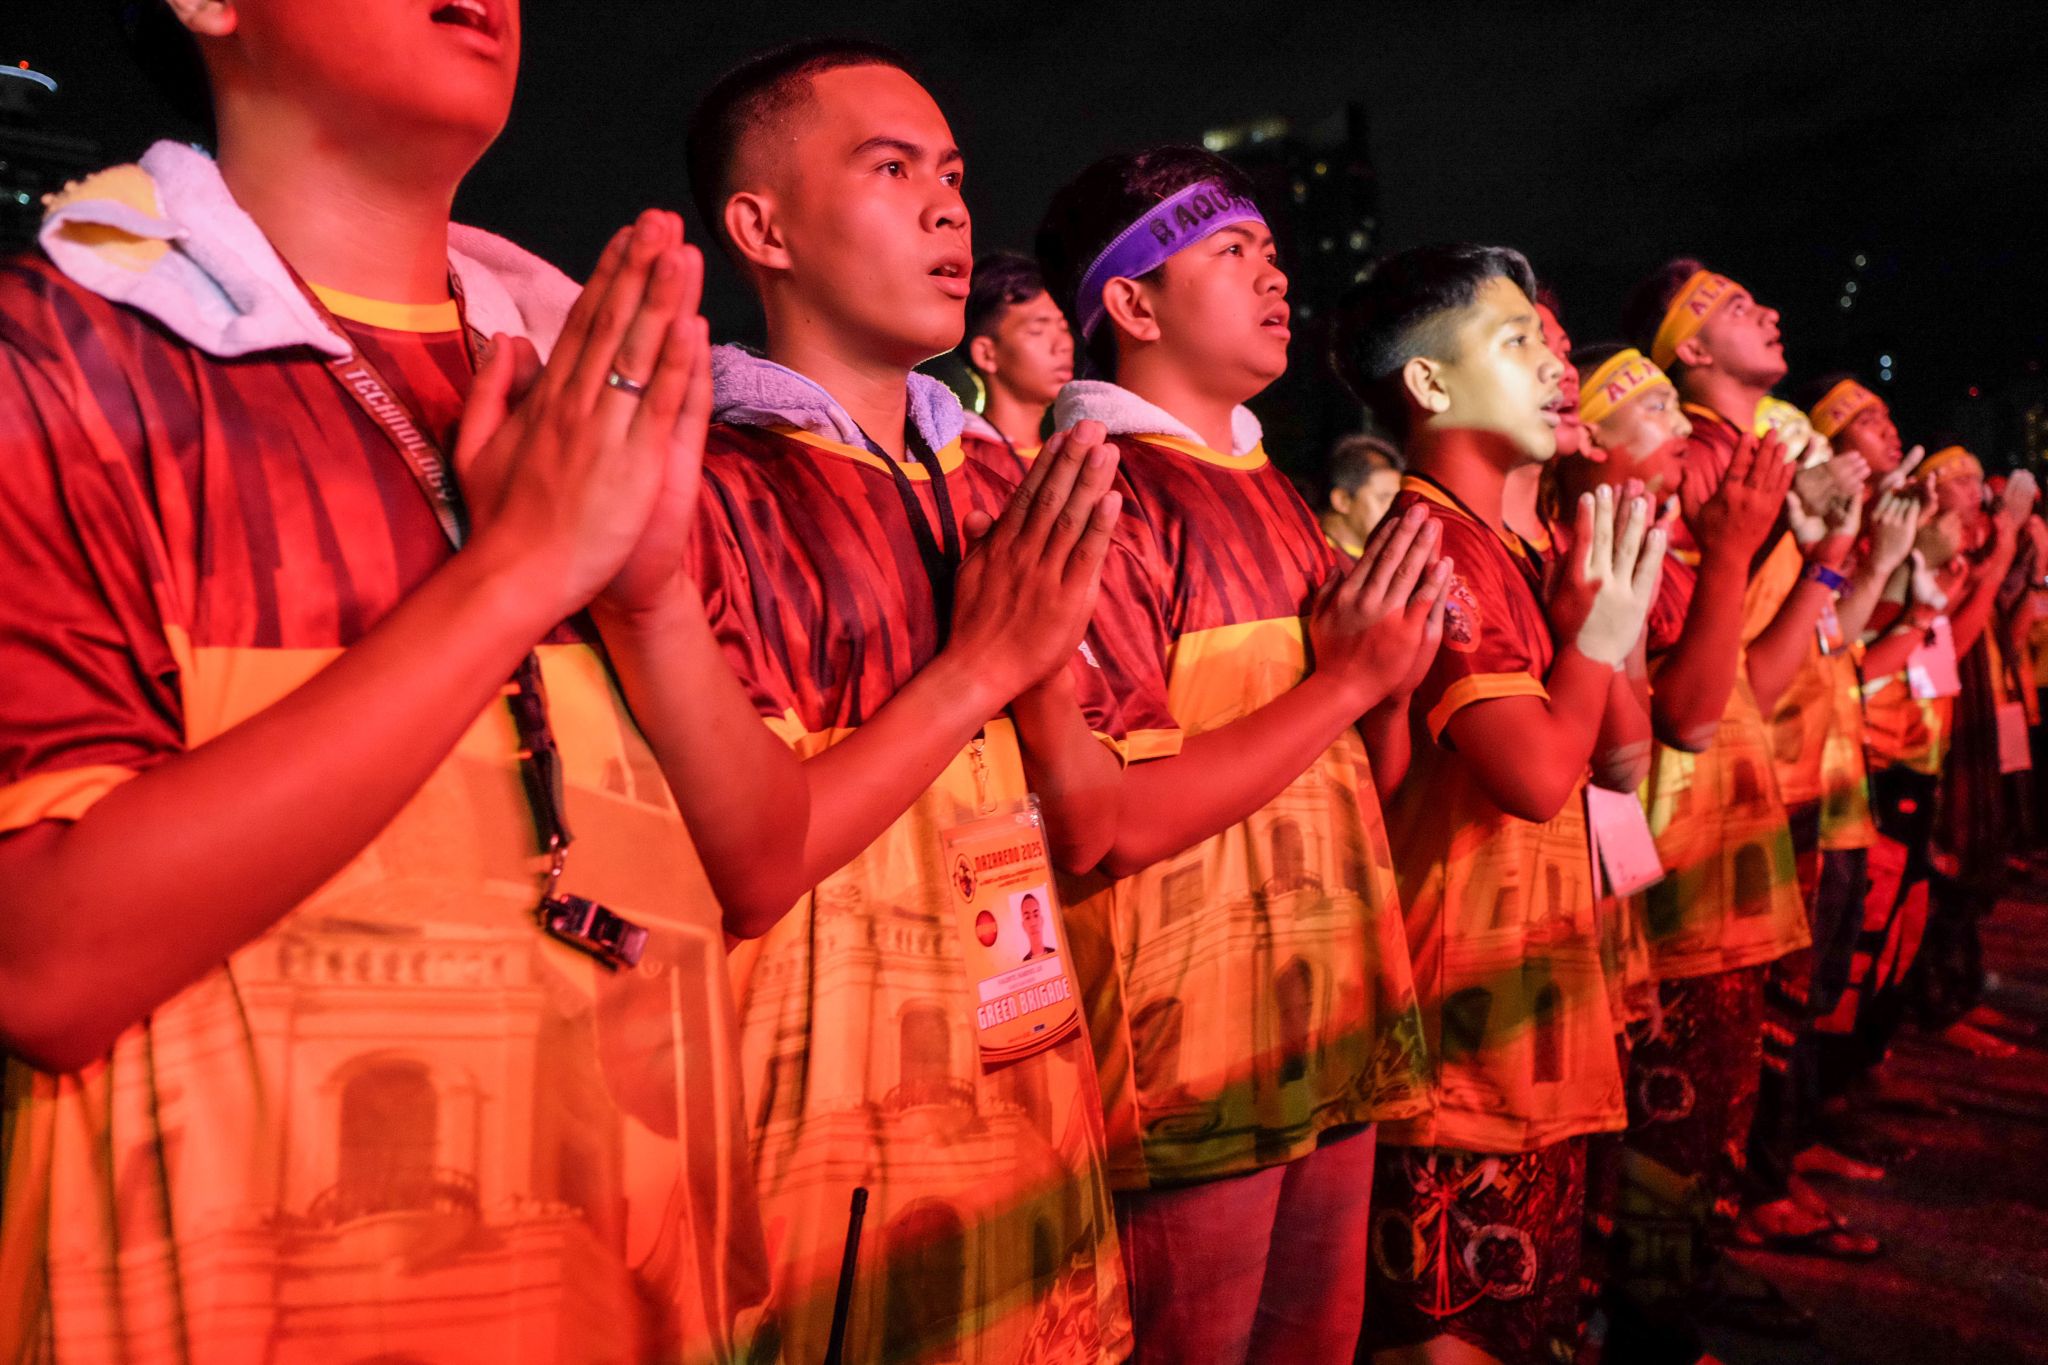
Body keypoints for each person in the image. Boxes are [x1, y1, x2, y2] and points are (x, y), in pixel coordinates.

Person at [0, 1, 777, 1359]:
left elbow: (761, 858)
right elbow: (45, 966)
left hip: (634, 1285)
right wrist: (514, 574)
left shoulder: (578, 386)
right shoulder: (62, 358)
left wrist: (647, 595)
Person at [643, 40, 1130, 1363]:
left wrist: (1038, 678)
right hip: (820, 1160)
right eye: (892, 168)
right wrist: (978, 664)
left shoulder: (995, 479)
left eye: (958, 176)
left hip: (1036, 1100)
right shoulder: (696, 487)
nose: (950, 209)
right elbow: (746, 867)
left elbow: (1086, 823)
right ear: (762, 225)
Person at [1018, 144, 1443, 1364]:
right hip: (1186, 1053)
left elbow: (1371, 782)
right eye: (1227, 252)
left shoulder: (1276, 489)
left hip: (1331, 1016)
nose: (1272, 276)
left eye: (1268, 249)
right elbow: (1108, 825)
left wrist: (1391, 690)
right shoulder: (1097, 491)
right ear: (1132, 305)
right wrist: (1351, 680)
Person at [1332, 243, 1665, 1365]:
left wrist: (1600, 603)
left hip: (1539, 1004)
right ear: (1427, 385)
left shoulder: (1518, 542)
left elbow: (1620, 761)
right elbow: (1531, 778)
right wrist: (1595, 633)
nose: (1550, 367)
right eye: (1516, 341)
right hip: (1458, 1037)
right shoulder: (1434, 547)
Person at [956, 249, 1073, 475]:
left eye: (1064, 327)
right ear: (986, 354)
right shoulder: (960, 461)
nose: (1064, 345)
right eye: (1037, 330)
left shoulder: (1067, 457)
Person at [1319, 432, 1406, 557]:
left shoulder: (1376, 557)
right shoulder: (1312, 560)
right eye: (1383, 498)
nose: (1396, 512)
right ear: (1343, 500)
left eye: (1397, 501)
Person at [1021, 891, 1057, 960]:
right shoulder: (1023, 963)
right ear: (1023, 926)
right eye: (1027, 917)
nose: (1033, 923)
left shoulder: (1055, 953)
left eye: (1036, 915)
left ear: (1042, 920)